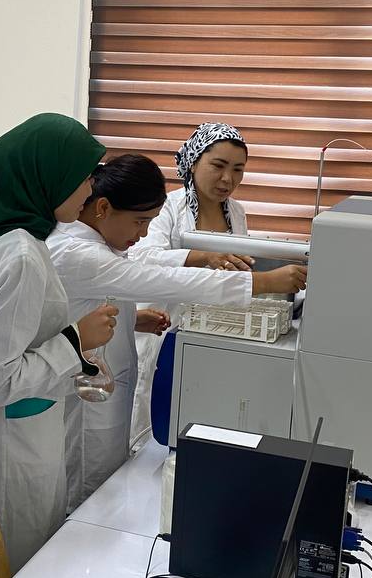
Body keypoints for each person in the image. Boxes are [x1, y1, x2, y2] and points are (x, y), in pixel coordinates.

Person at [49, 154, 307, 507]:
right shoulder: (78, 252)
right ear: (103, 208)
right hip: (87, 400)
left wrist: (132, 319)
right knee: (87, 497)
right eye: (140, 222)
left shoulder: (99, 244)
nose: (142, 234)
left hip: (107, 385)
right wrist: (262, 282)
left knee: (106, 487)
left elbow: (91, 299)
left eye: (238, 168)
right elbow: (161, 279)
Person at [0, 113, 118, 571]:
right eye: (83, 176)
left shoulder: (26, 240)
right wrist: (75, 340)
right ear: (47, 175)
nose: (90, 189)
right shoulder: (21, 253)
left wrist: (75, 351)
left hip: (28, 434)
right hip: (15, 453)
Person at [129, 123, 256, 439]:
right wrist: (201, 257)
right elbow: (142, 258)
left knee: (198, 419)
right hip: (163, 332)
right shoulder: (168, 208)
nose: (227, 179)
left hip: (213, 333)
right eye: (218, 165)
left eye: (238, 169)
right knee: (150, 426)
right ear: (193, 162)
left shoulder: (236, 213)